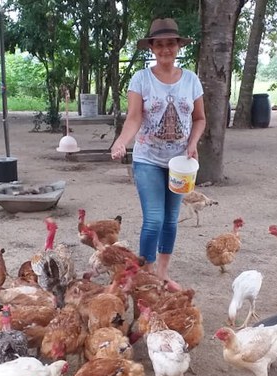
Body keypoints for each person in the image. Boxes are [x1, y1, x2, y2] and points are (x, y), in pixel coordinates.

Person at [111, 18, 206, 290]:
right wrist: (121, 142)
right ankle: (148, 273)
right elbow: (133, 118)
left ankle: (163, 272)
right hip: (147, 159)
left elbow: (200, 119)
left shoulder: (191, 80)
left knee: (171, 219)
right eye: (159, 44)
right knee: (154, 219)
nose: (165, 49)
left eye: (170, 44)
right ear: (151, 48)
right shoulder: (141, 79)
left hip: (180, 164)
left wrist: (193, 142)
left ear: (178, 46)